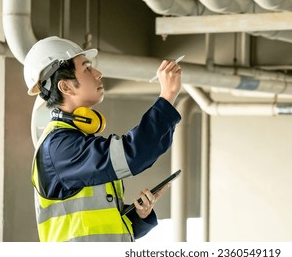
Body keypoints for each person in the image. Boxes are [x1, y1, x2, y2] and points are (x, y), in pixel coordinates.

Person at [23, 36, 182, 242]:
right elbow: (132, 153)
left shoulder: (75, 141)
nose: (98, 74)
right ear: (66, 87)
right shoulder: (60, 149)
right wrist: (167, 96)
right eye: (87, 68)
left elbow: (98, 228)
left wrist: (138, 215)